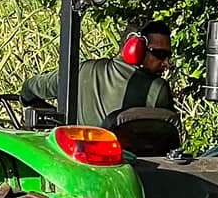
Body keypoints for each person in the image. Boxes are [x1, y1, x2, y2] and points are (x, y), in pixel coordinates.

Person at [20, 21, 175, 127]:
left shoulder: (83, 71)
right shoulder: (157, 89)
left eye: (168, 56)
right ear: (135, 48)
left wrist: (44, 109)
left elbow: (29, 89)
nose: (167, 63)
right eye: (160, 54)